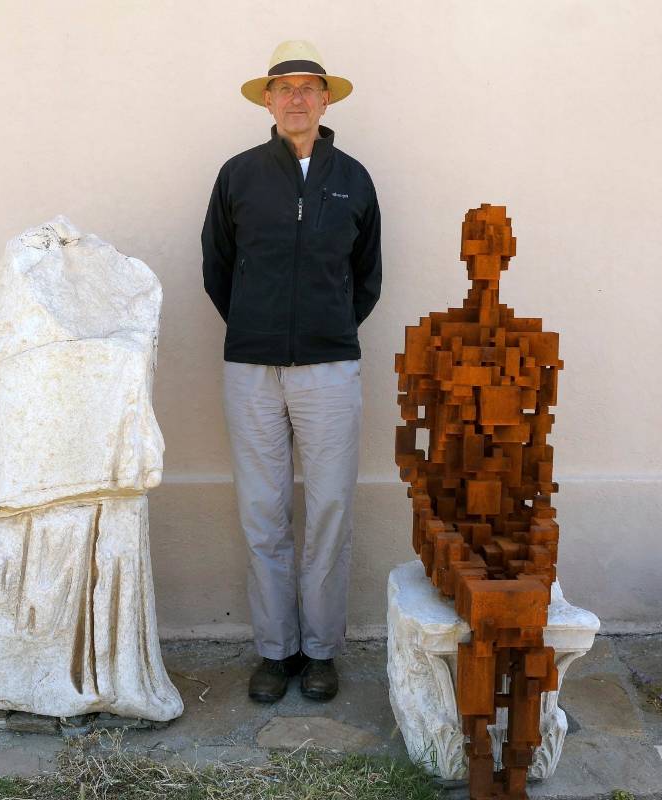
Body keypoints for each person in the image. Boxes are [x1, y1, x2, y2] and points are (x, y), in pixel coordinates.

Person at [201, 40, 382, 703]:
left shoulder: (353, 179)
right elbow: (217, 265)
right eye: (285, 88)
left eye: (309, 87)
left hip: (329, 368)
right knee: (262, 511)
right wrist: (258, 324)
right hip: (251, 369)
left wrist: (324, 328)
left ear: (326, 100)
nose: (297, 98)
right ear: (268, 101)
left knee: (330, 508)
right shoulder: (239, 175)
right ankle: (276, 651)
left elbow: (367, 274)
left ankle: (322, 650)